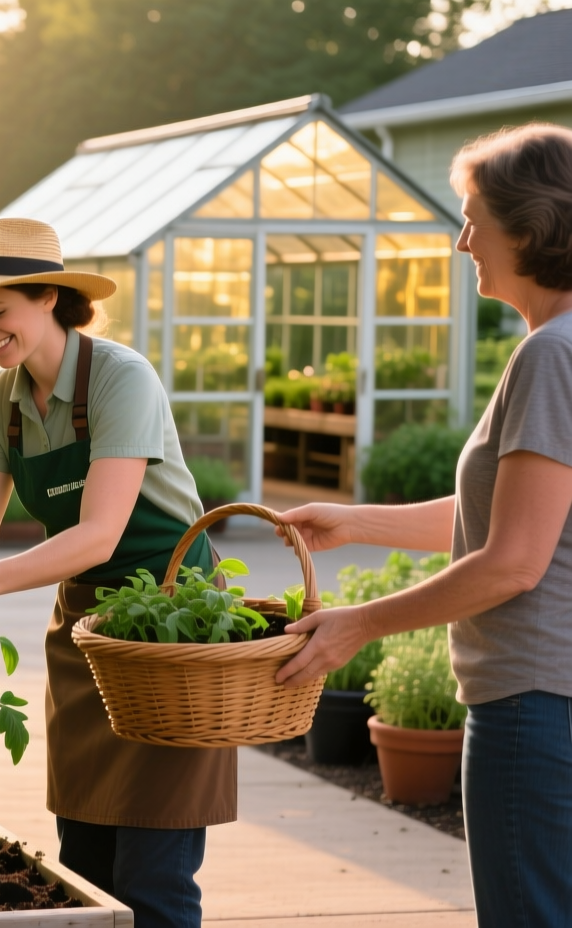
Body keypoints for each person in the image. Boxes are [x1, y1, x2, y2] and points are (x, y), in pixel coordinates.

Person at [273, 124, 572, 927]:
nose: (462, 238)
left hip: (531, 704)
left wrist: (355, 626)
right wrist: (356, 522)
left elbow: (512, 561)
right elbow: (513, 517)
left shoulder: (551, 356)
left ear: (532, 226)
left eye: (475, 217)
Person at [0, 217, 226, 928]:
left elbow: (98, 533)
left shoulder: (120, 378)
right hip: (86, 631)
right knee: (82, 863)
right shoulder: (2, 402)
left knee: (153, 873)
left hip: (172, 627)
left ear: (49, 296)